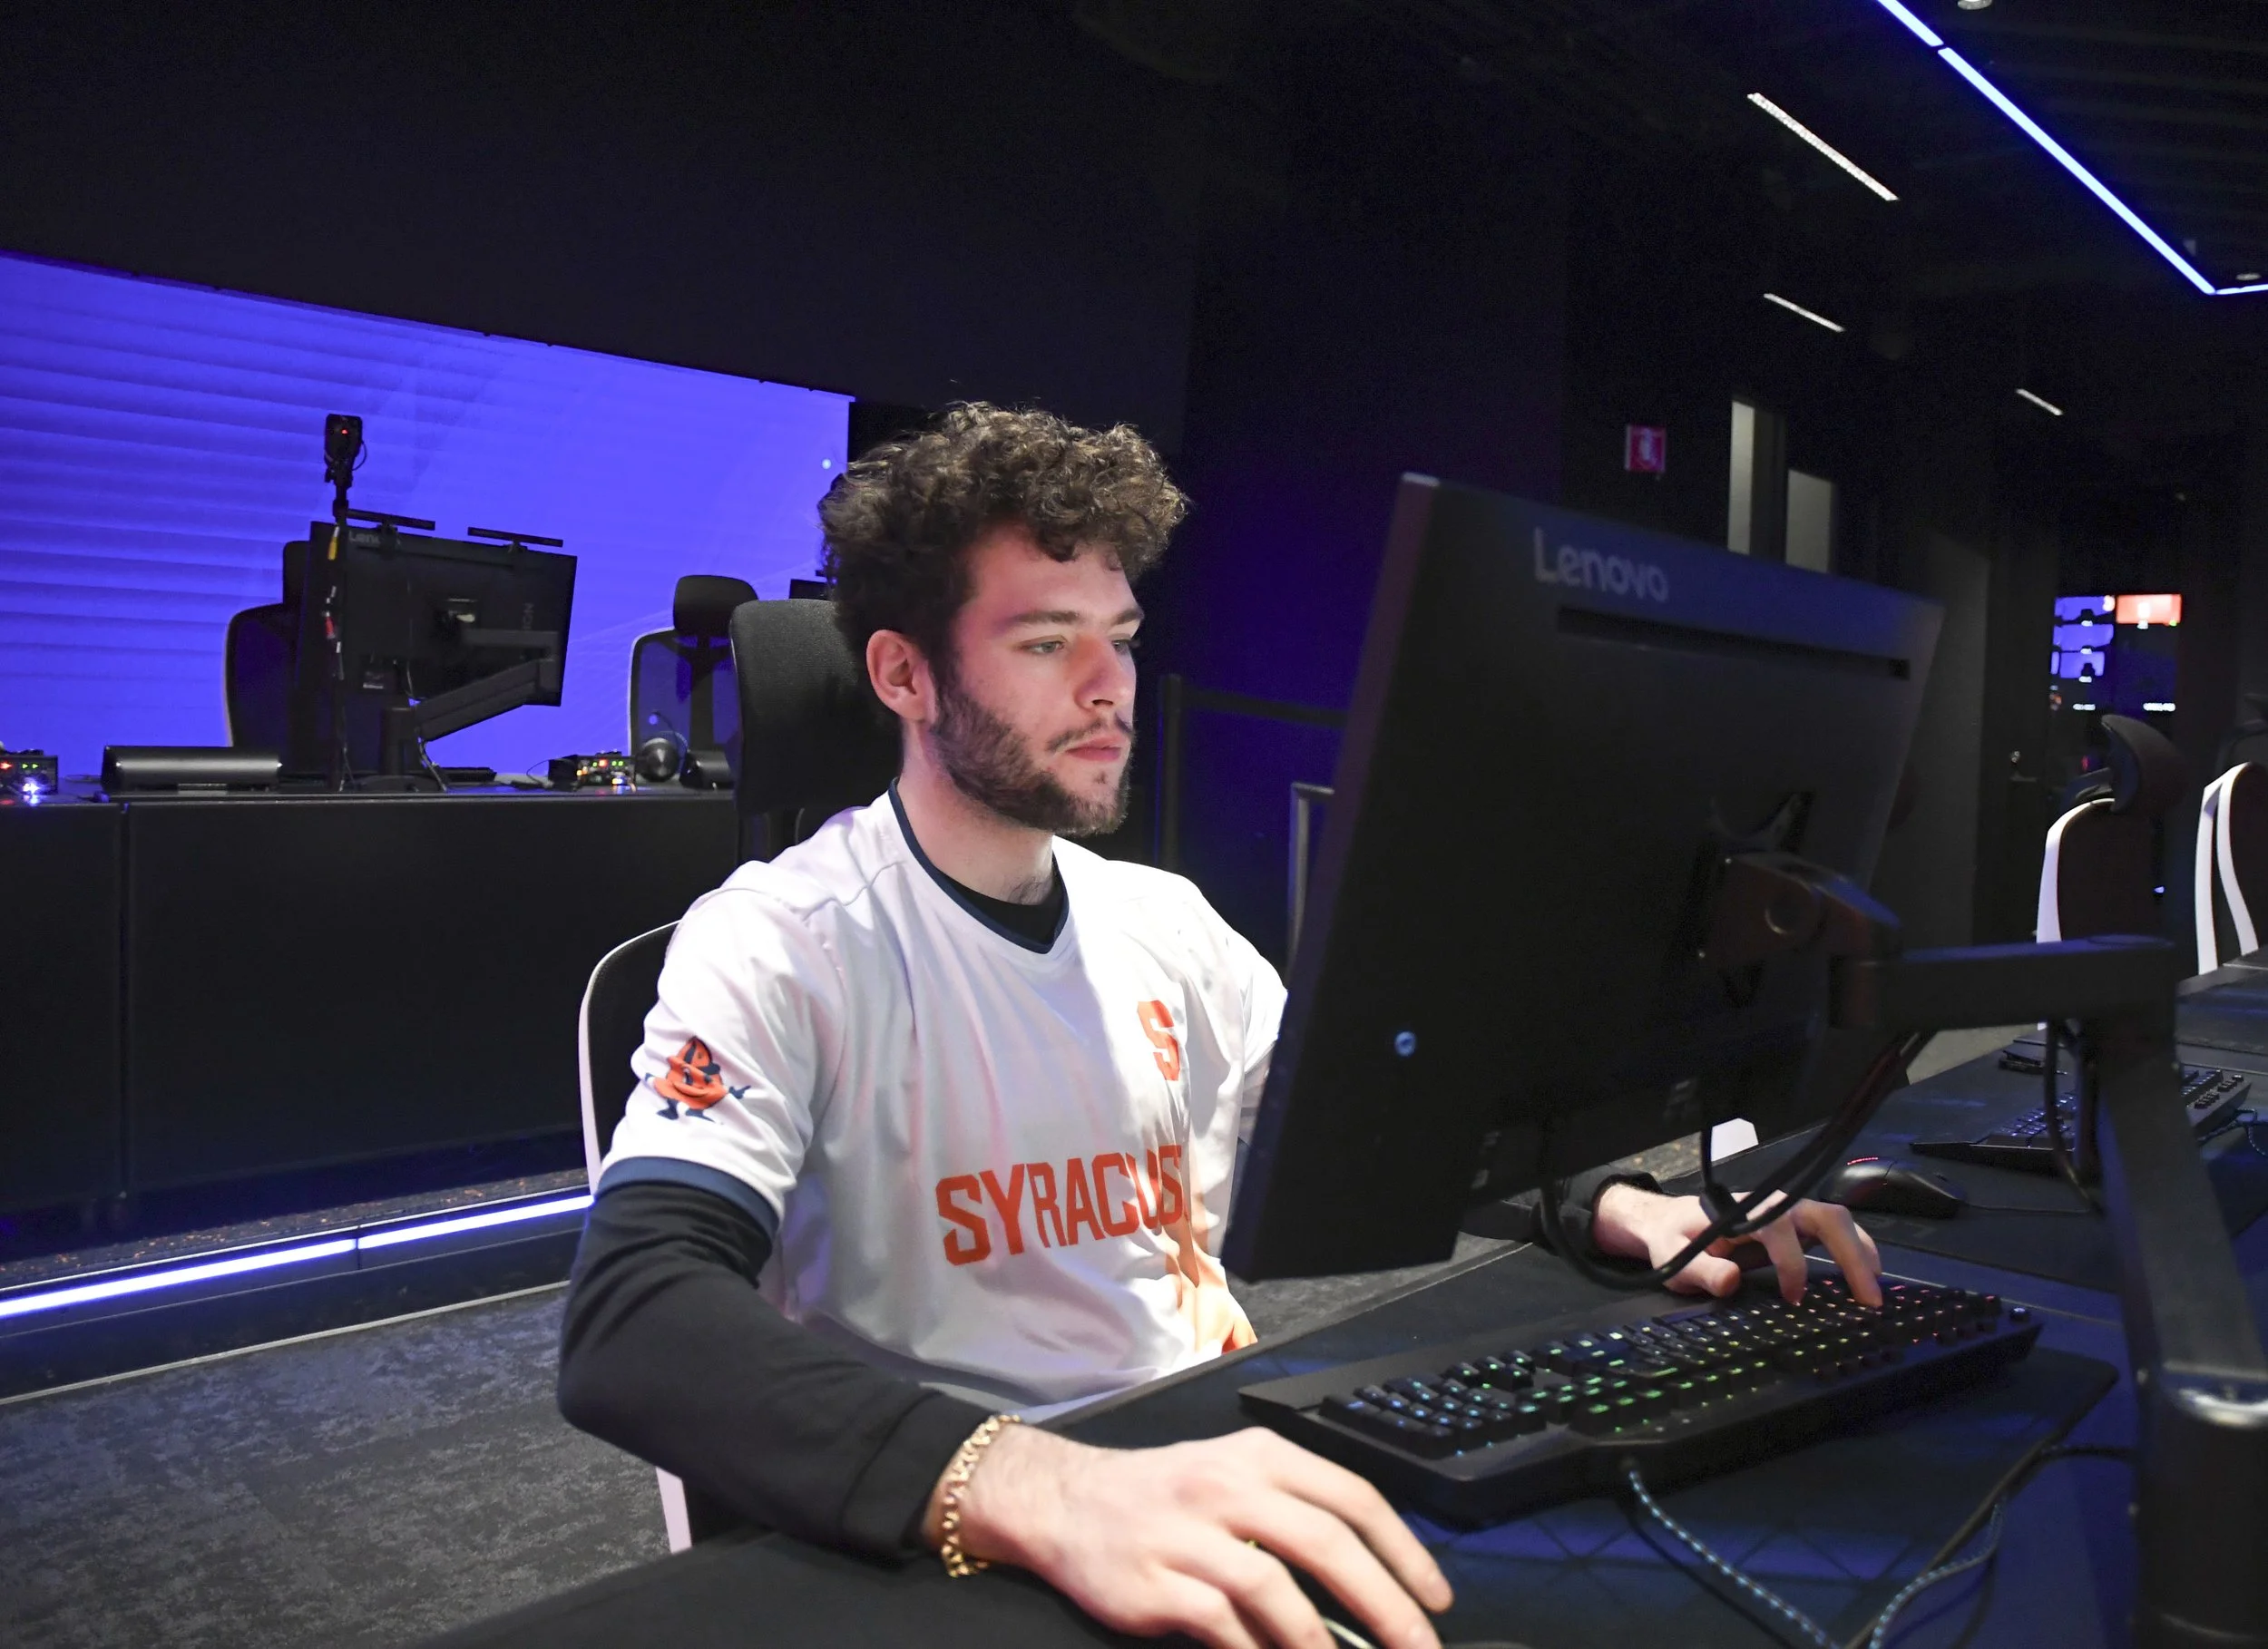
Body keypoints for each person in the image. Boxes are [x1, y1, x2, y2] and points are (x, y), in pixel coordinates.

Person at [557, 404, 1885, 1649]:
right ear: (904, 675)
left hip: (1211, 1448)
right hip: (1000, 1524)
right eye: (1044, 641)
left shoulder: (1165, 922)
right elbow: (632, 1320)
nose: (1109, 686)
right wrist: (1024, 1479)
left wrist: (1627, 1205)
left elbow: (1351, 1134)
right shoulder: (785, 941)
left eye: (1120, 634)